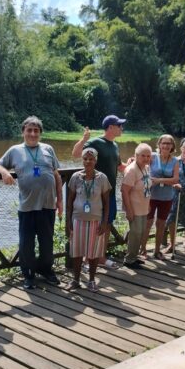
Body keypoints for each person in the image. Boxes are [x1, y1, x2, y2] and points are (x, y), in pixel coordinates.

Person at [0, 116, 62, 290]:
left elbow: (57, 175)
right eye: (29, 130)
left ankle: (46, 270)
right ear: (23, 131)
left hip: (48, 205)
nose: (32, 133)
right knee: (26, 244)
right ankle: (29, 274)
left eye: (36, 130)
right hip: (27, 206)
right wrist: (4, 173)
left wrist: (60, 200)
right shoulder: (15, 150)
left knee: (47, 242)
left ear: (40, 133)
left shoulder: (48, 149)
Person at [72, 115, 128, 269]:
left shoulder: (114, 145)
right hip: (94, 194)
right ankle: (86, 259)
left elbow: (120, 166)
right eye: (119, 125)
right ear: (110, 127)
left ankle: (100, 257)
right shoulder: (96, 142)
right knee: (91, 224)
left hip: (109, 193)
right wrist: (84, 140)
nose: (122, 128)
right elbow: (76, 154)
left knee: (107, 224)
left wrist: (136, 165)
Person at [66, 147, 111, 292]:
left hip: (96, 220)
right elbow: (70, 201)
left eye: (91, 159)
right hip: (77, 220)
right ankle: (76, 280)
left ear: (96, 160)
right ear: (82, 160)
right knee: (77, 252)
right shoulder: (75, 177)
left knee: (94, 253)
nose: (88, 161)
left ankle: (91, 280)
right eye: (85, 159)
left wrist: (105, 222)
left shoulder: (102, 178)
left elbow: (106, 203)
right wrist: (68, 222)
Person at [140, 135, 179, 259]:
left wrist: (158, 180)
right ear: (159, 144)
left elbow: (175, 179)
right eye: (164, 143)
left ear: (172, 146)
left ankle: (157, 250)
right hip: (151, 195)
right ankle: (143, 249)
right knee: (148, 222)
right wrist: (131, 160)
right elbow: (140, 163)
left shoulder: (175, 161)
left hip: (167, 197)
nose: (166, 146)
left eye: (169, 143)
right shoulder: (152, 157)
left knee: (161, 224)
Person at [121, 143, 153, 269]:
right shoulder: (131, 170)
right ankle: (129, 260)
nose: (146, 158)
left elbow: (147, 186)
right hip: (134, 207)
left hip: (143, 206)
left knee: (140, 232)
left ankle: (134, 256)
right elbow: (124, 191)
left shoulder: (146, 167)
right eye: (142, 156)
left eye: (148, 156)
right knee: (136, 232)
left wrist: (149, 204)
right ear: (136, 155)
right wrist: (129, 210)